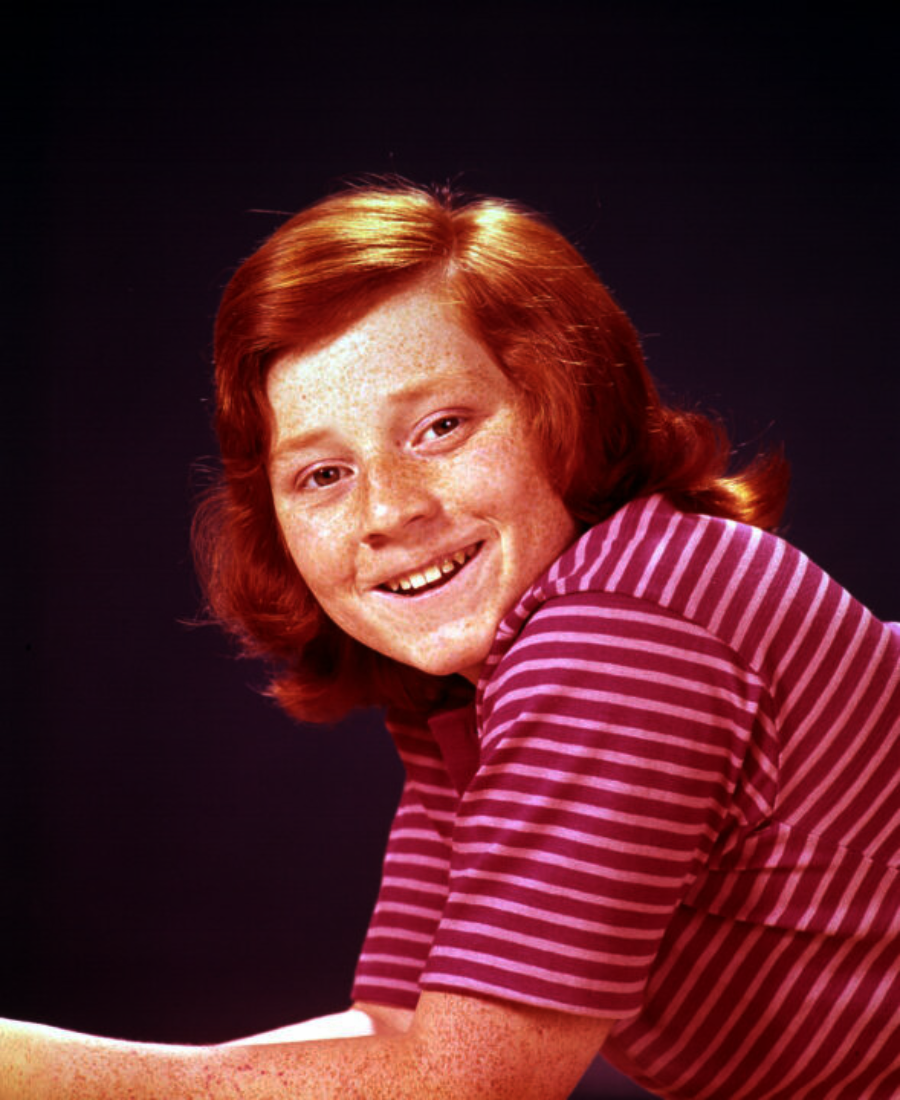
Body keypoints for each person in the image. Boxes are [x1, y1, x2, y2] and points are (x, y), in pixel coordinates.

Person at [2, 180, 898, 1099]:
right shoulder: (473, 686)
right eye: (322, 474)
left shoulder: (618, 635)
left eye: (441, 427)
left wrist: (30, 1073)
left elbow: (466, 1089)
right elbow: (397, 1035)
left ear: (563, 410)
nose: (388, 509)